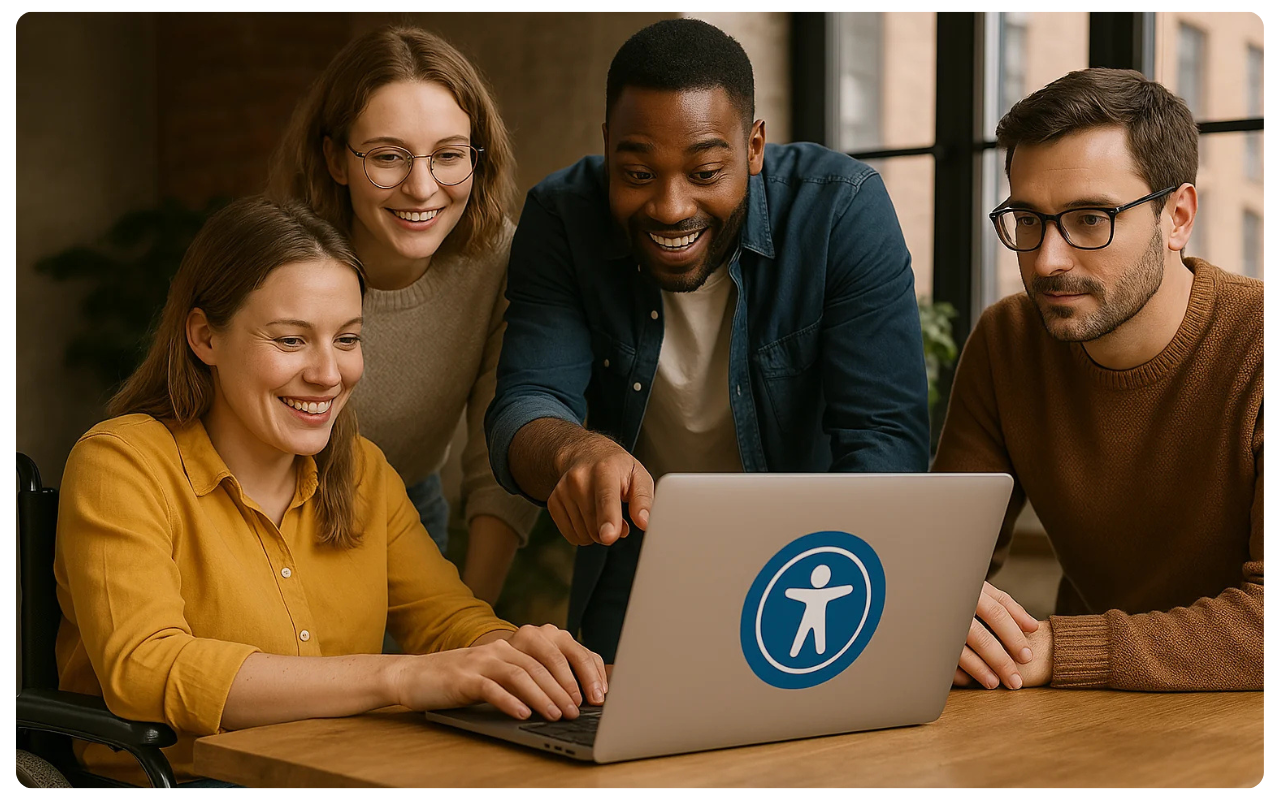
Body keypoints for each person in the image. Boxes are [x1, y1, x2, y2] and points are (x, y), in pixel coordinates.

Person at [53, 196, 607, 787]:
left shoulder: (363, 470)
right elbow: (146, 667)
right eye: (291, 340)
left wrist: (521, 657)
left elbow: (449, 620)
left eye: (347, 339)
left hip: (336, 771)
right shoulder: (120, 462)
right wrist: (398, 678)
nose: (328, 373)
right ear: (204, 337)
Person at [485, 18, 931, 664]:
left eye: (704, 172)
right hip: (637, 572)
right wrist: (572, 450)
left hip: (811, 570)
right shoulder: (561, 219)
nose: (670, 207)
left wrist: (827, 586)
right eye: (636, 173)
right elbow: (523, 406)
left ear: (754, 148)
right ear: (607, 146)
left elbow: (887, 443)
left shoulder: (841, 212)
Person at [932, 68, 1263, 692]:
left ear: (1178, 217)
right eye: (1027, 219)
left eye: (1090, 219)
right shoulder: (1008, 340)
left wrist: (1055, 648)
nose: (1049, 260)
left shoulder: (1257, 344)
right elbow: (944, 564)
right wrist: (946, 610)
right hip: (1079, 713)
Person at [267, 25, 538, 609]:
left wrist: (469, 622)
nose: (421, 188)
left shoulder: (499, 261)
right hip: (270, 512)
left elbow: (499, 453)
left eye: (448, 155)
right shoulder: (277, 264)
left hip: (411, 509)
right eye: (388, 157)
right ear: (335, 159)